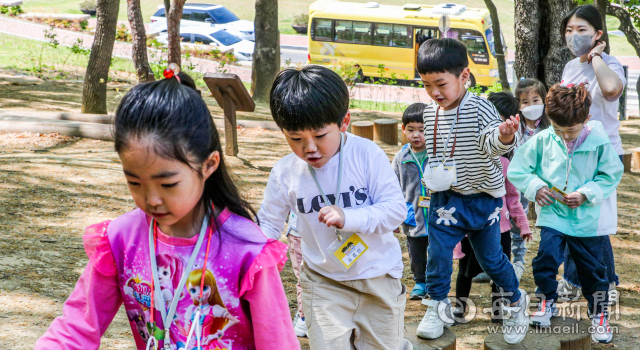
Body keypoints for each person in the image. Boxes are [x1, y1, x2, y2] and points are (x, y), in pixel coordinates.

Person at [34, 66, 299, 350]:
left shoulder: (246, 248)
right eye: (134, 183)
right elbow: (75, 329)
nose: (152, 200)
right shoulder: (120, 240)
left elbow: (278, 342)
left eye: (168, 184)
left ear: (208, 165)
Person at [258, 65, 411, 350]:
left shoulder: (366, 155)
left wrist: (348, 217)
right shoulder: (285, 172)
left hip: (377, 277)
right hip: (323, 281)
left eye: (319, 135)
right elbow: (268, 224)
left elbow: (395, 211)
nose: (309, 148)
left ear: (344, 122)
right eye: (295, 138)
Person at [414, 38, 529, 345]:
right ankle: (435, 307)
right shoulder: (430, 112)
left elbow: (492, 142)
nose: (434, 92)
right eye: (426, 85)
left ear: (464, 76)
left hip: (482, 200)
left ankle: (517, 303)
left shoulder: (479, 106)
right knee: (437, 255)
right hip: (445, 198)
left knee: (492, 261)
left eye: (440, 84)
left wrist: (504, 136)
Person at [508, 84, 623, 344]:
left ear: (586, 120)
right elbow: (518, 169)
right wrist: (536, 187)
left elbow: (611, 175)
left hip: (587, 220)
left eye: (570, 130)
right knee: (546, 258)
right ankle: (546, 301)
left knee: (594, 270)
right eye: (558, 130)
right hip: (553, 214)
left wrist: (586, 193)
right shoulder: (543, 139)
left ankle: (599, 315)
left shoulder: (599, 141)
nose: (565, 137)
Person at [559, 4, 626, 301]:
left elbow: (611, 90)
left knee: (590, 222)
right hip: (573, 152)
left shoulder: (610, 63)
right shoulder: (570, 67)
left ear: (598, 34)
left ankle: (578, 282)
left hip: (603, 155)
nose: (574, 36)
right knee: (582, 218)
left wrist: (596, 56)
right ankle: (604, 281)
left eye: (582, 30)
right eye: (569, 31)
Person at [453, 92, 532, 323]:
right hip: (470, 227)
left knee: (500, 271)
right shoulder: (465, 159)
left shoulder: (507, 163)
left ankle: (498, 312)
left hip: (500, 230)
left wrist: (523, 225)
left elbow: (513, 199)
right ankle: (459, 309)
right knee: (464, 272)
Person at [392, 102, 430, 300]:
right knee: (416, 253)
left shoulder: (438, 154)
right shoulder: (401, 157)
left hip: (436, 215)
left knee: (437, 251)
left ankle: (434, 283)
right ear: (403, 130)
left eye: (422, 130)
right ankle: (420, 281)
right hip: (412, 215)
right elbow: (394, 187)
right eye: (411, 130)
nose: (416, 135)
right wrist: (396, 217)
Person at [286, 211, 308, 338]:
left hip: (321, 234)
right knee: (304, 277)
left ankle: (305, 318)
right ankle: (304, 319)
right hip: (298, 231)